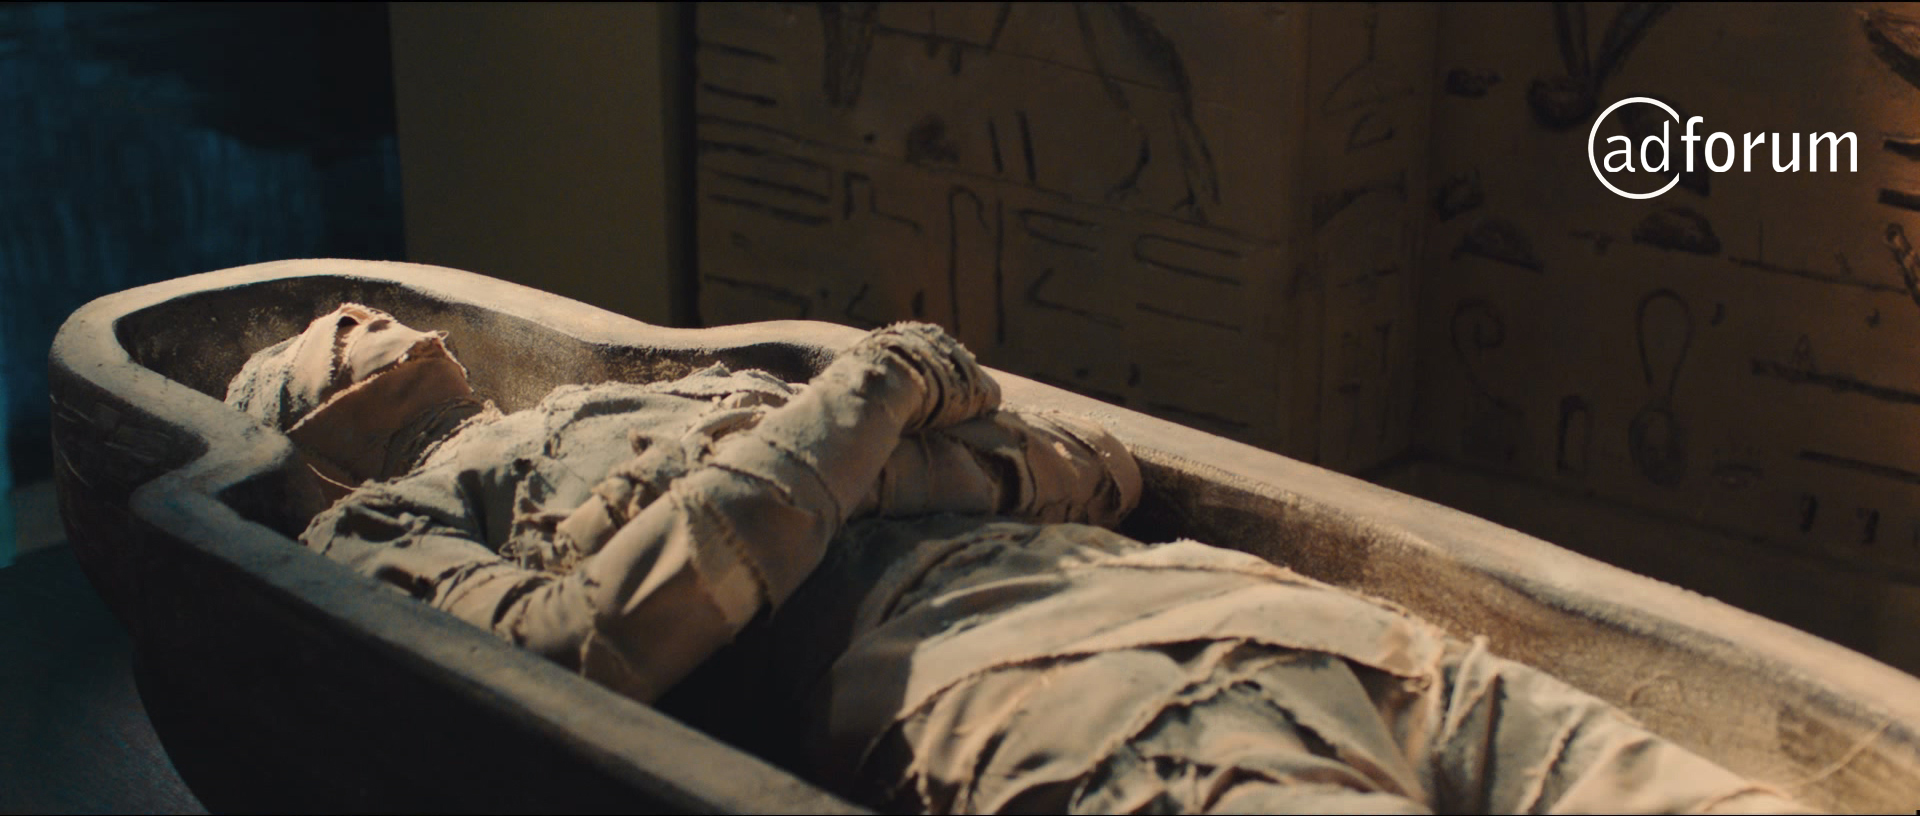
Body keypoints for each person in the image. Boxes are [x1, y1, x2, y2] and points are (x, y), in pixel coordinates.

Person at [226, 304, 1812, 815]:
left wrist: (886, 455)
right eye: (297, 350)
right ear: (309, 436)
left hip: (1247, 610)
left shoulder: (665, 393)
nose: (338, 322)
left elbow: (1094, 472)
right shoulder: (383, 524)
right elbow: (583, 652)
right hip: (1032, 686)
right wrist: (864, 417)